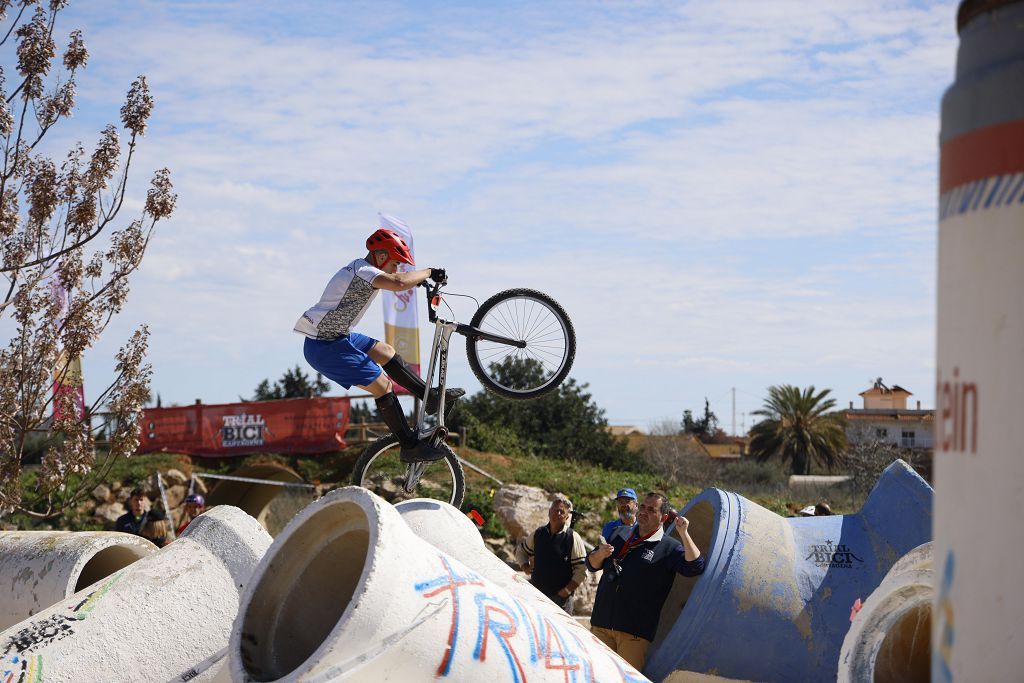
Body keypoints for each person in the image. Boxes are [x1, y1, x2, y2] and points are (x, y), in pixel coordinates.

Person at [294, 228, 464, 463]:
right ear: (382, 256)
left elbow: (397, 281)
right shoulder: (364, 271)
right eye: (396, 263)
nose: (397, 268)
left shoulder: (362, 270)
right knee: (382, 385)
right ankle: (409, 446)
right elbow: (397, 282)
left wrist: (418, 282)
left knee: (385, 352)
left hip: (339, 336)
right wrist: (429, 272)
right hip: (324, 346)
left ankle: (431, 398)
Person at [586, 491, 706, 671]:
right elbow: (591, 564)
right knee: (592, 676)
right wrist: (600, 554)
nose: (643, 512)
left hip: (634, 635)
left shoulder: (669, 547)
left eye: (651, 510)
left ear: (663, 517)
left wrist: (683, 533)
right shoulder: (620, 533)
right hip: (601, 625)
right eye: (642, 507)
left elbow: (695, 566)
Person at [516, 497, 588, 613]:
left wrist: (566, 591)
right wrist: (525, 567)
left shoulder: (572, 537)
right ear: (549, 512)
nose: (558, 513)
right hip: (536, 596)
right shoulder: (538, 534)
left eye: (562, 512)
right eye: (555, 510)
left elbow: (582, 569)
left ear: (567, 517)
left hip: (560, 602)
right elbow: (521, 551)